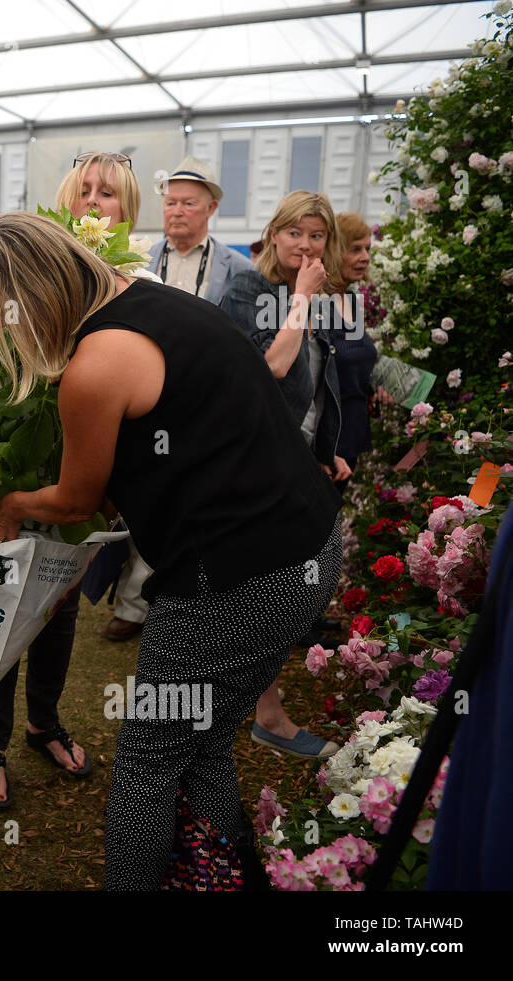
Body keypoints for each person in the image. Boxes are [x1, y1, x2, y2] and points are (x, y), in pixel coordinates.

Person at [0, 211, 342, 889]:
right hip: (309, 549)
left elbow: (78, 502)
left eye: (3, 315)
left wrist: (15, 504)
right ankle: (221, 874)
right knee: (201, 744)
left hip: (237, 578)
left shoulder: (94, 365)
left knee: (148, 756)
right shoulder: (150, 299)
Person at [220, 190, 346, 760]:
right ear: (273, 235)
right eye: (294, 232)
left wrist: (326, 447)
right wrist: (299, 298)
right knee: (271, 585)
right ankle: (260, 711)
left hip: (300, 460)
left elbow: (317, 383)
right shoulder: (250, 288)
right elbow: (271, 367)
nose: (305, 244)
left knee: (293, 585)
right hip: (258, 459)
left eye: (316, 235)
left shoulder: (316, 297)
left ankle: (259, 706)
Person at [58, 151, 158, 644]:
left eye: (107, 192)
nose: (94, 202)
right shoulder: (45, 265)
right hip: (42, 441)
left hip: (105, 453)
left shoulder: (144, 282)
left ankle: (43, 722)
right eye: (85, 190)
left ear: (127, 208)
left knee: (64, 583)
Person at [147, 156, 250, 305]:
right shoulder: (142, 260)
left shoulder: (239, 269)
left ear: (211, 208)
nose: (177, 211)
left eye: (188, 203)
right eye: (170, 203)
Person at [329, 212, 378, 476]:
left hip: (352, 437)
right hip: (329, 444)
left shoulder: (350, 300)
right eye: (355, 249)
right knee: (326, 517)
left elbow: (357, 357)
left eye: (368, 249)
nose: (365, 257)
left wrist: (380, 385)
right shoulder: (316, 303)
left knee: (337, 516)